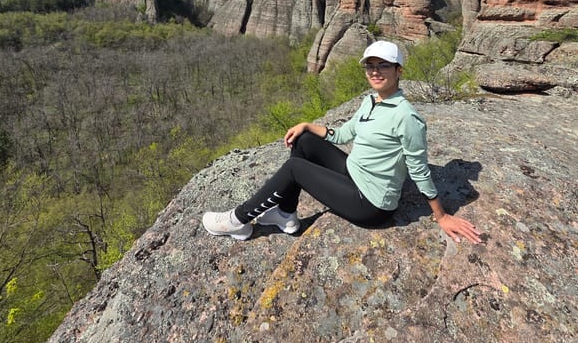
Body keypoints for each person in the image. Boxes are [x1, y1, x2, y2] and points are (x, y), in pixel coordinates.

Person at [202, 40, 481, 245]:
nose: (375, 71)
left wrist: (442, 216)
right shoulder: (370, 100)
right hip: (353, 173)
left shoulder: (407, 117)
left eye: (383, 65)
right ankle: (285, 215)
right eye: (370, 66)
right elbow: (346, 134)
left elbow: (419, 170)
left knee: (295, 169)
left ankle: (237, 221)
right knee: (306, 141)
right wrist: (308, 125)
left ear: (399, 71)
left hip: (370, 204)